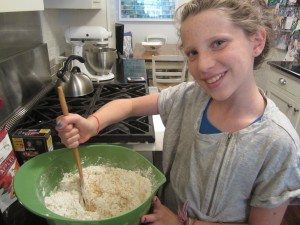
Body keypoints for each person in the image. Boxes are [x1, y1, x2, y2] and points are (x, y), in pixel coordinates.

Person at [56, 0, 300, 224]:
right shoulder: (188, 98)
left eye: (218, 43)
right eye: (192, 52)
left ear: (256, 41)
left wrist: (183, 223)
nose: (203, 65)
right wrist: (93, 123)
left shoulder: (278, 144)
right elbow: (129, 105)